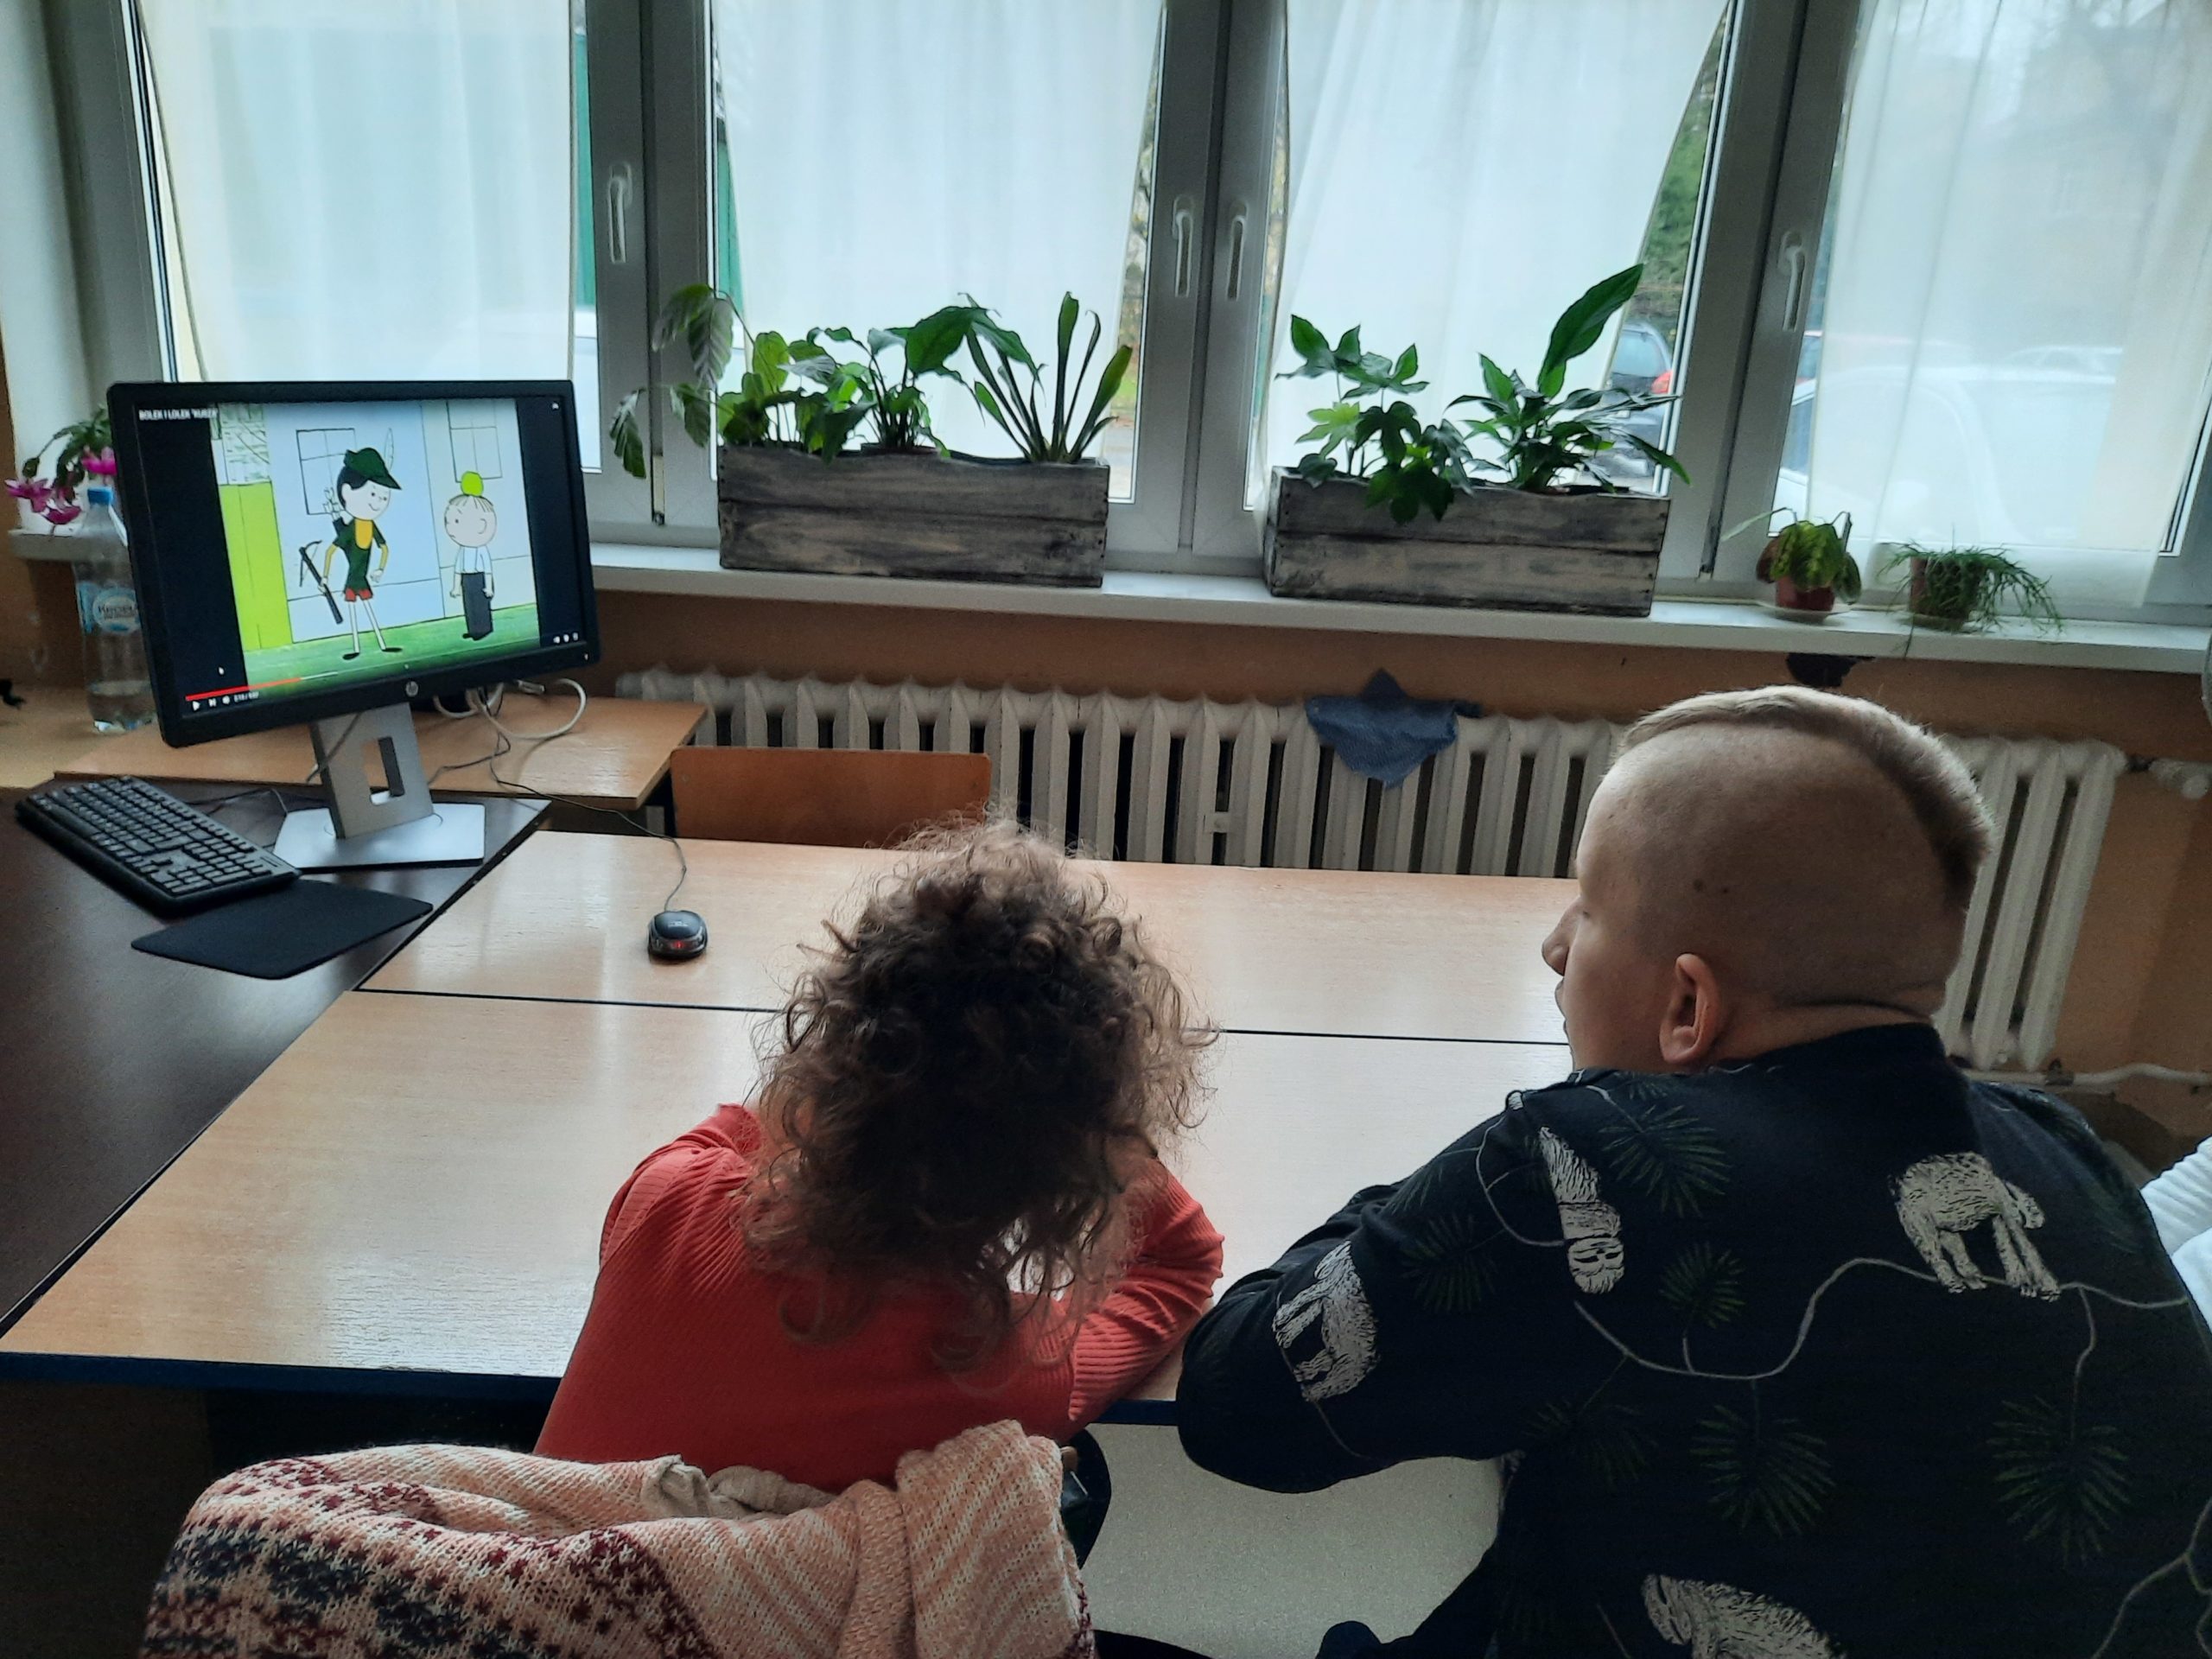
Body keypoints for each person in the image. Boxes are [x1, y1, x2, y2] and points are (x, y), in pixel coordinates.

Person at [1176, 687, 2212, 1658]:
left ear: (1687, 1007)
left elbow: (1239, 1412)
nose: (1554, 948)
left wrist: (1472, 1176)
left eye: (1587, 908)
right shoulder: (2061, 1147)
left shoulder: (1592, 1163)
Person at [537, 821, 1224, 1496]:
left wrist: (874, 1049)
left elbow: (750, 1124)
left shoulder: (666, 1196)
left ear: (832, 1039)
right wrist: (1097, 1113)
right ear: (1073, 1164)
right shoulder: (1007, 1373)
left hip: (518, 1560)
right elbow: (1185, 1263)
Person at [319, 446, 404, 660]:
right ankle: (356, 647)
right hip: (353, 579)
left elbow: (384, 548)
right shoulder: (351, 529)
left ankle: (382, 644)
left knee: (368, 609)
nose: (378, 502)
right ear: (347, 492)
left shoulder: (371, 526)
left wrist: (380, 569)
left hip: (363, 578)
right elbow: (331, 551)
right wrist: (325, 577)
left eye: (383, 497)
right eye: (373, 494)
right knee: (354, 611)